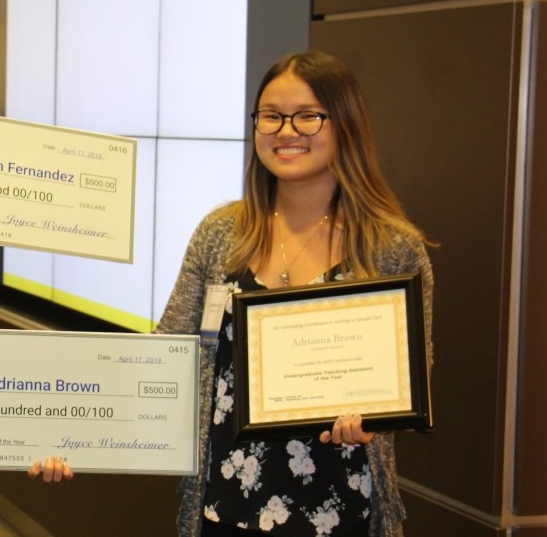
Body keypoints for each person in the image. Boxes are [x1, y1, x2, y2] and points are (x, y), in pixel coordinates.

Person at [159, 51, 434, 536]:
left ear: (345, 124)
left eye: (308, 116)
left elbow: (413, 376)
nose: (286, 131)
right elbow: (165, 354)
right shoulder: (220, 233)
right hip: (223, 508)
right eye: (271, 116)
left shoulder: (391, 248)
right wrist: (75, 433)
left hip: (341, 510)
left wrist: (374, 418)